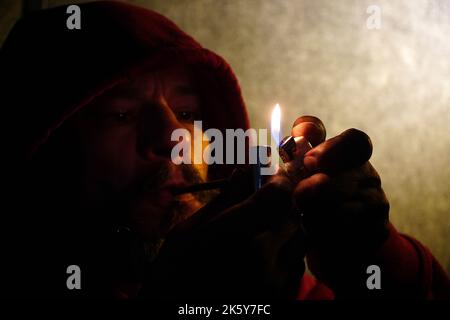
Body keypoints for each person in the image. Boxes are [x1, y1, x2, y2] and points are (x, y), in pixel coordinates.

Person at [1, 1, 449, 299]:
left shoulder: (275, 278)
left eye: (188, 113)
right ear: (45, 147)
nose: (173, 138)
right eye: (121, 115)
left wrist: (374, 255)